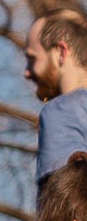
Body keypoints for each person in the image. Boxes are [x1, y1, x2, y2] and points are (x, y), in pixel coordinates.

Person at [23, 11, 87, 188]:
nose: (27, 72)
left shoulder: (62, 111)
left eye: (32, 59)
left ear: (61, 52)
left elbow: (63, 204)